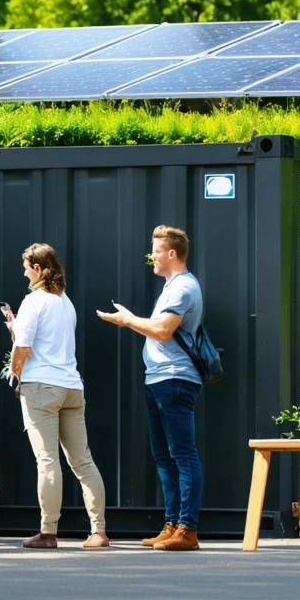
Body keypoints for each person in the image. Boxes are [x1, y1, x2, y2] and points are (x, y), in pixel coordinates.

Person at [96, 225, 204, 551]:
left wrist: (127, 320)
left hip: (174, 380)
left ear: (171, 253)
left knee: (182, 455)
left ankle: (188, 529)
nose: (151, 256)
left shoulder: (183, 287)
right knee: (164, 456)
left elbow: (162, 330)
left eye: (155, 251)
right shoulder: (171, 287)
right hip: (158, 379)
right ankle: (172, 524)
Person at [3, 243, 108, 550]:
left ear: (37, 269)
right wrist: (15, 326)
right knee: (83, 461)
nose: (23, 272)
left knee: (48, 460)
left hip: (41, 388)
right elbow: (42, 340)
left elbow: (23, 347)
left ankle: (48, 533)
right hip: (71, 387)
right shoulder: (66, 302)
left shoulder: (33, 301)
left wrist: (15, 374)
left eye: (26, 266)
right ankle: (99, 532)